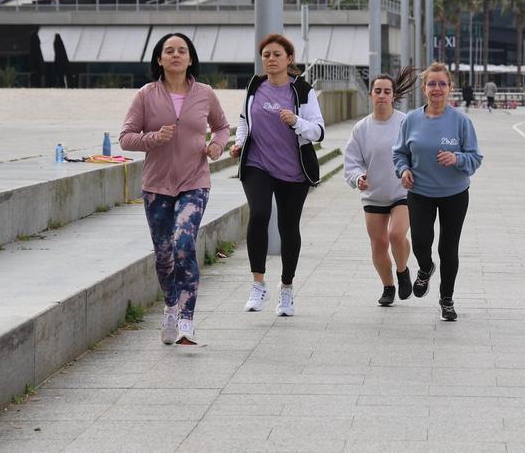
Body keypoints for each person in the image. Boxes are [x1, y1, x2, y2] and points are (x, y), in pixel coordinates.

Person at [120, 32, 229, 346]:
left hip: (195, 181)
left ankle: (187, 319)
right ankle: (170, 306)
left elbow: (221, 127)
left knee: (184, 243)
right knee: (164, 256)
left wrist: (218, 146)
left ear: (191, 58)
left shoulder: (205, 93)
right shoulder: (145, 95)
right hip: (156, 186)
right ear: (159, 59)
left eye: (182, 50)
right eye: (169, 51)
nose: (176, 55)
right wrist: (154, 138)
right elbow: (126, 137)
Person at [230, 34, 326, 317]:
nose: (270, 59)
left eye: (276, 55)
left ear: (289, 59)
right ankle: (258, 284)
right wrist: (239, 142)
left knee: (288, 227)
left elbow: (319, 131)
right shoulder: (255, 85)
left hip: (292, 170)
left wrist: (296, 121)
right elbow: (244, 120)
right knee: (259, 214)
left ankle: (286, 289)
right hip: (257, 164)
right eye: (266, 55)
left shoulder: (302, 91)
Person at [393, 62, 484, 321]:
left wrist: (457, 159)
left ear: (450, 88)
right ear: (424, 88)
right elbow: (399, 153)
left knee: (448, 248)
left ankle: (446, 299)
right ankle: (424, 268)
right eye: (431, 83)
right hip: (420, 191)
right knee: (421, 242)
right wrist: (403, 171)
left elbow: (475, 158)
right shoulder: (411, 120)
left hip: (454, 193)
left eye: (442, 84)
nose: (437, 88)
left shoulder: (461, 121)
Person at [344, 67, 418, 306]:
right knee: (379, 244)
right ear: (371, 95)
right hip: (374, 194)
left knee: (396, 235)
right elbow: (352, 162)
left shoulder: (405, 122)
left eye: (387, 91)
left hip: (402, 191)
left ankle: (403, 270)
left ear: (393, 96)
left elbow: (417, 153)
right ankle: (388, 287)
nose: (382, 95)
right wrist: (358, 178)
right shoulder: (362, 128)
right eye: (378, 91)